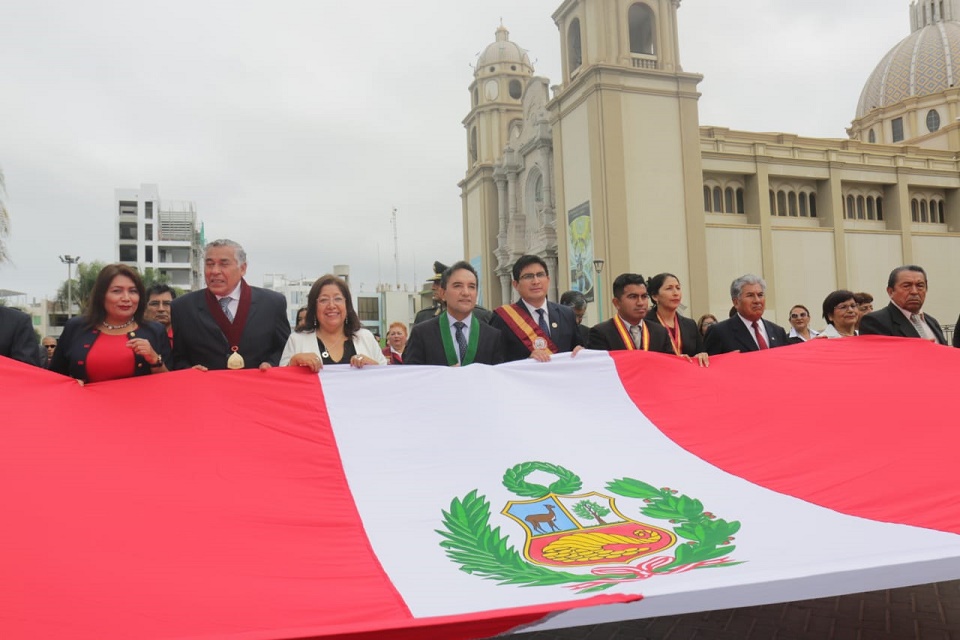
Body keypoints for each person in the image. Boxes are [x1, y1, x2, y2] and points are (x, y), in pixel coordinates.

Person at [171, 239, 290, 370]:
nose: (215, 271)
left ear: (243, 268)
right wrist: (189, 370)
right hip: (207, 387)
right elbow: (178, 358)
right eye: (209, 264)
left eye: (224, 264)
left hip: (256, 386)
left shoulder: (272, 303)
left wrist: (271, 364)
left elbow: (285, 349)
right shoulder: (183, 307)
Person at [50, 263, 170, 383]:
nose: (126, 298)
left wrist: (155, 360)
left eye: (133, 291)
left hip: (140, 401)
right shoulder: (76, 327)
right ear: (101, 295)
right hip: (85, 402)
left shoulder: (155, 330)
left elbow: (172, 383)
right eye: (117, 291)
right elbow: (54, 377)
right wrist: (72, 384)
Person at [404, 261, 502, 366]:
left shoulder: (492, 337)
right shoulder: (422, 334)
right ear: (443, 293)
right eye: (457, 286)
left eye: (471, 287)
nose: (466, 293)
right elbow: (411, 376)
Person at [280, 274, 386, 370]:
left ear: (347, 305)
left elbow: (388, 380)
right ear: (314, 307)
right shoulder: (297, 340)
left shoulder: (366, 337)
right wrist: (293, 363)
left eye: (338, 299)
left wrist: (373, 367)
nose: (331, 306)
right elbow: (281, 384)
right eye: (324, 300)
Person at [490, 255, 584, 362]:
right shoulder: (503, 319)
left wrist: (581, 351)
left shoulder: (566, 314)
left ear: (548, 279)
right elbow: (496, 361)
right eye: (528, 276)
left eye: (540, 275)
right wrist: (527, 360)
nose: (536, 281)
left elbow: (577, 347)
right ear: (515, 284)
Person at [703, 274, 789, 355]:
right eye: (750, 295)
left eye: (760, 295)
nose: (757, 300)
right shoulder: (719, 332)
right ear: (736, 302)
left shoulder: (778, 332)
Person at [587, 273, 673, 354]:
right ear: (616, 303)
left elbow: (669, 364)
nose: (640, 303)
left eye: (644, 296)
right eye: (633, 297)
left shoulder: (660, 332)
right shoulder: (601, 333)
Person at [860, 265, 946, 344]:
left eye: (920, 285)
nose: (914, 292)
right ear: (890, 291)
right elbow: (880, 357)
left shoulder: (932, 322)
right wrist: (919, 348)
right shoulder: (875, 321)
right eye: (907, 286)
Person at [645, 272, 708, 365]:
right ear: (655, 296)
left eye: (678, 288)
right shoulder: (645, 324)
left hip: (687, 375)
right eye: (669, 288)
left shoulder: (690, 324)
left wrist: (702, 355)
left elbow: (700, 351)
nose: (675, 293)